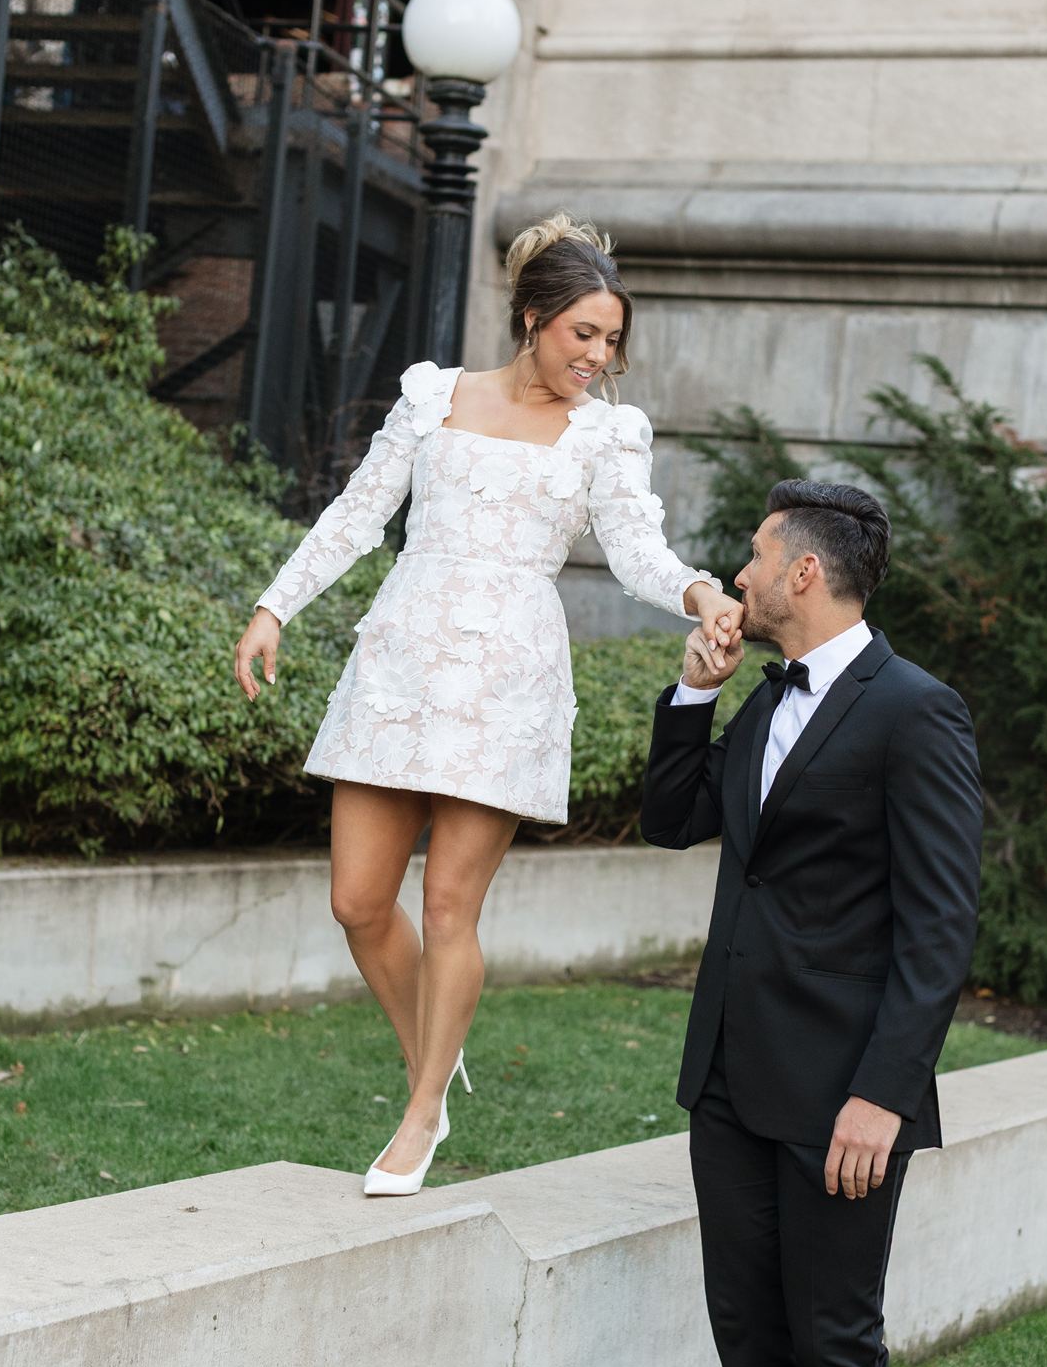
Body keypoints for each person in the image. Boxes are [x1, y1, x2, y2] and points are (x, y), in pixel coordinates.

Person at [234, 214, 742, 1197]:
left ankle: (423, 1106)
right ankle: (436, 1047)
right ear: (531, 316)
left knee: (449, 902)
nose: (599, 356)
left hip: (508, 678)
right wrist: (274, 604)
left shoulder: (607, 433)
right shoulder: (434, 396)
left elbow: (638, 550)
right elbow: (357, 510)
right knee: (356, 899)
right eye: (582, 333)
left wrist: (700, 590)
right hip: (398, 662)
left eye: (610, 338)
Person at [638, 480, 982, 1367]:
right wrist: (695, 688)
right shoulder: (763, 696)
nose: (736, 574)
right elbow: (670, 817)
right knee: (749, 1344)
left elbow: (940, 929)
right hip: (728, 1079)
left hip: (842, 1099)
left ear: (804, 574)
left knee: (837, 1348)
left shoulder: (914, 712)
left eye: (753, 556)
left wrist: (883, 1094)